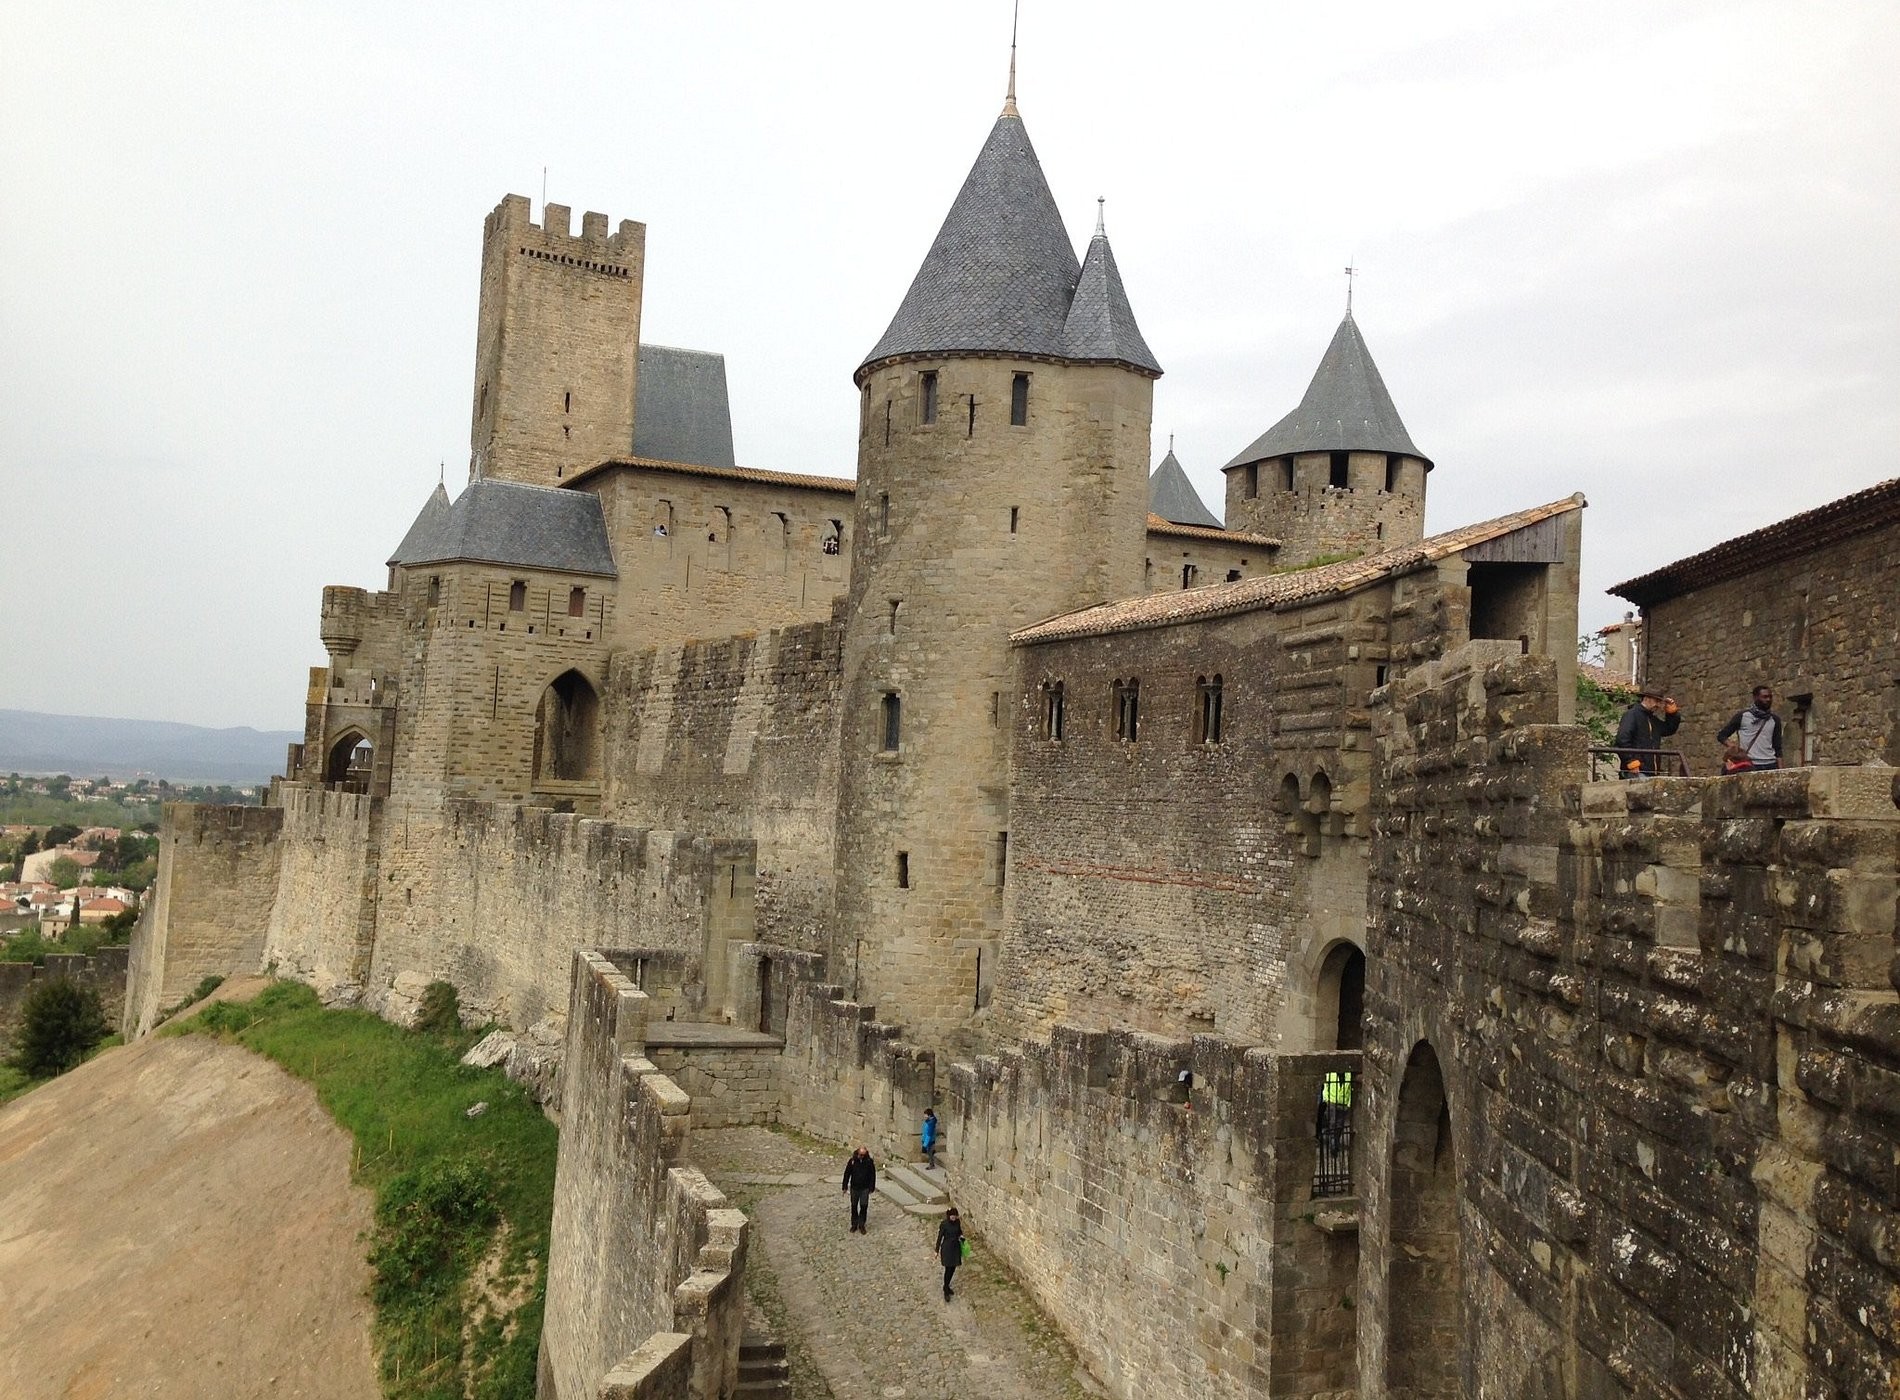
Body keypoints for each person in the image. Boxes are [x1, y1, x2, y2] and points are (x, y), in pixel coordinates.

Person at [1614, 686, 1681, 777]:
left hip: (1650, 772)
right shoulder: (1632, 715)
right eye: (1656, 701)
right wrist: (1631, 761)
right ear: (1647, 698)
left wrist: (1672, 714)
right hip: (1636, 771)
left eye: (1659, 702)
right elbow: (1622, 740)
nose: (1658, 705)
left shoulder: (1652, 719)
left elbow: (1669, 729)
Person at [1716, 685, 1782, 772]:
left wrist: (1781, 769)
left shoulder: (1774, 720)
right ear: (1755, 697)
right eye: (1764, 697)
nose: (1768, 700)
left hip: (1770, 764)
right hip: (1749, 764)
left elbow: (1777, 747)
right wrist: (1733, 747)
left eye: (1770, 697)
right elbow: (1722, 735)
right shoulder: (1742, 716)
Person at [841, 1145, 877, 1234]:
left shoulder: (869, 1162)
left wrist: (872, 1187)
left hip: (865, 1188)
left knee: (863, 1206)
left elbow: (872, 1175)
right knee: (854, 1206)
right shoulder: (852, 1161)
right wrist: (844, 1186)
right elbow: (847, 1174)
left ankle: (861, 1224)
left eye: (863, 1155)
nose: (861, 1156)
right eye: (860, 1155)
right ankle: (854, 1224)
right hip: (854, 1187)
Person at [934, 1207, 965, 1301]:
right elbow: (939, 1237)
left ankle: (946, 1286)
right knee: (948, 1268)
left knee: (953, 1268)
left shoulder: (957, 1222)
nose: (953, 1217)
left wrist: (961, 1237)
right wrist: (936, 1250)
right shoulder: (944, 1224)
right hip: (947, 1248)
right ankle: (946, 1289)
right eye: (952, 1216)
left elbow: (959, 1232)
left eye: (955, 1215)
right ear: (949, 1216)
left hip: (955, 1247)